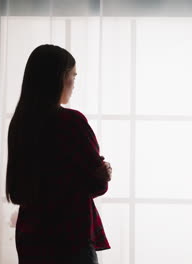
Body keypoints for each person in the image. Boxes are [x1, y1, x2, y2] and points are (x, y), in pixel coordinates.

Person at [6, 44, 112, 264]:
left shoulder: (20, 124)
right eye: (72, 76)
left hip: (32, 235)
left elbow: (18, 190)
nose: (74, 84)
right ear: (58, 79)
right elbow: (97, 184)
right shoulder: (72, 122)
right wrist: (103, 174)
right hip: (70, 235)